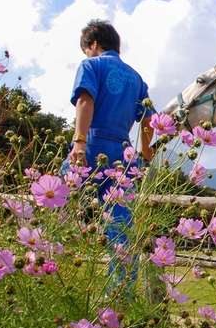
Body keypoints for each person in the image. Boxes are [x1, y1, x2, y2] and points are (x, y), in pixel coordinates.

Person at [66, 19, 155, 289]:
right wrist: (146, 156)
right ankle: (119, 299)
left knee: (55, 201)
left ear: (93, 44)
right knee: (121, 228)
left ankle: (45, 270)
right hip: (124, 155)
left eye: (87, 49)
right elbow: (149, 120)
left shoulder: (91, 65)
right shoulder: (137, 79)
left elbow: (85, 100)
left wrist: (79, 141)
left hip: (94, 143)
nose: (87, 54)